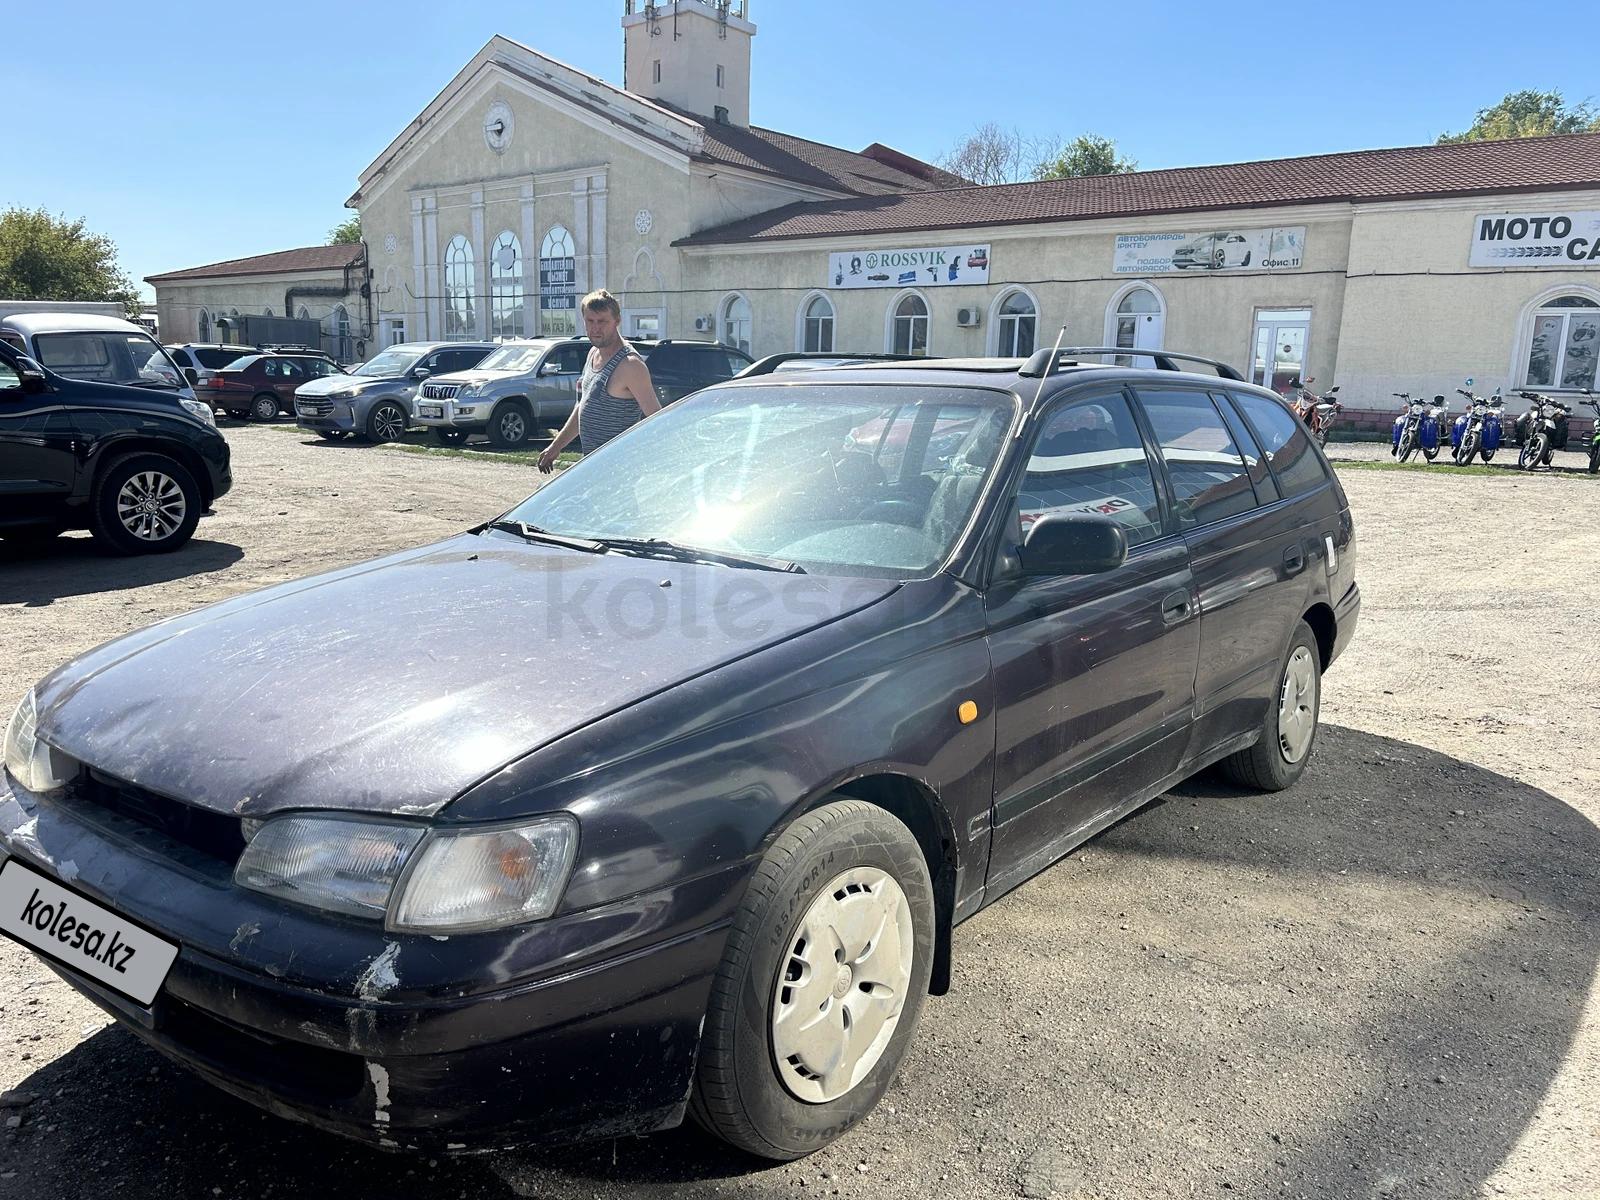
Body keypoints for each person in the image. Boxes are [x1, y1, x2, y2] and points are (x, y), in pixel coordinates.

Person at [537, 290, 660, 472]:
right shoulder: (593, 354)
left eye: (602, 321)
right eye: (590, 321)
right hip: (592, 465)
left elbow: (657, 419)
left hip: (619, 470)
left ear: (617, 321)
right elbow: (584, 406)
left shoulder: (630, 365)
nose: (595, 328)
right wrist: (555, 447)